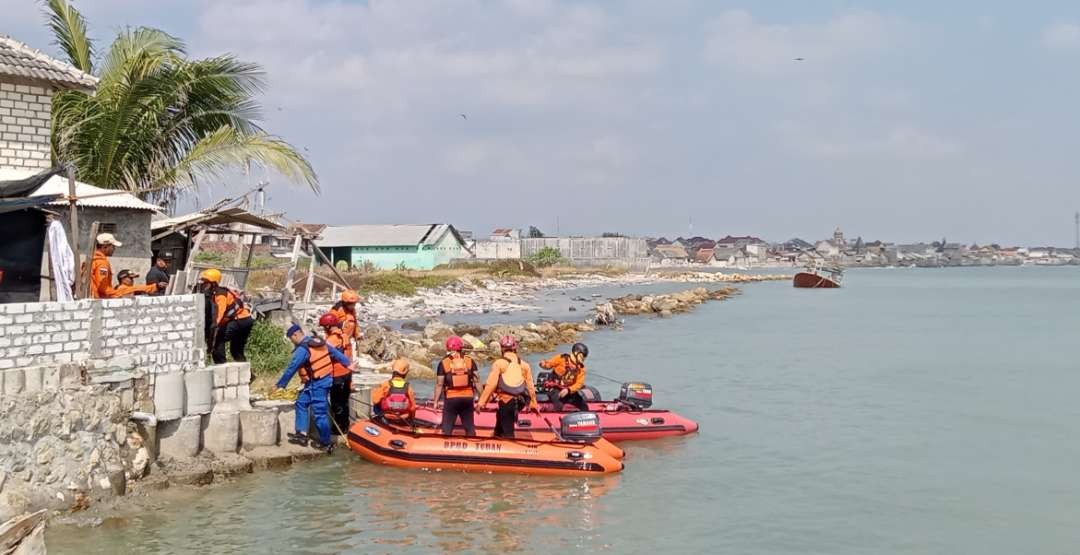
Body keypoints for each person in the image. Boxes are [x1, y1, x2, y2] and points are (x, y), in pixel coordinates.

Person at [271, 324, 352, 452]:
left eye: (292, 339)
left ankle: (326, 443)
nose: (292, 343)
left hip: (318, 384)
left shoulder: (303, 349)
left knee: (319, 413)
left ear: (295, 335)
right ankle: (301, 434)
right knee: (301, 403)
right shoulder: (317, 341)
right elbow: (335, 353)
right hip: (321, 380)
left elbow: (292, 368)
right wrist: (348, 363)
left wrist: (280, 384)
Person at [476, 336, 538, 438]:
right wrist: (533, 404)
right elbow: (530, 387)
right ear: (515, 348)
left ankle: (509, 445)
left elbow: (491, 385)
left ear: (501, 348)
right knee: (499, 421)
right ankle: (497, 437)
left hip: (506, 401)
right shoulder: (524, 365)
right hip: (521, 401)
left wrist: (481, 403)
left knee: (508, 433)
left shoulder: (499, 363)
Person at [197, 268, 255, 364]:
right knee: (236, 350)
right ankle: (247, 375)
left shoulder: (220, 295)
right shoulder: (215, 294)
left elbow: (219, 315)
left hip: (239, 320)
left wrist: (212, 333)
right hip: (245, 320)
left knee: (217, 339)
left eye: (206, 282)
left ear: (213, 283)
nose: (203, 285)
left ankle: (221, 367)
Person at [90, 233, 164, 298]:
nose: (114, 249)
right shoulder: (101, 263)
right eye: (112, 246)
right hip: (98, 302)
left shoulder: (93, 260)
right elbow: (103, 289)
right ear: (105, 247)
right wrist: (116, 295)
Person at [433, 336, 479, 435]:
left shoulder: (443, 363)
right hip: (468, 398)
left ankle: (444, 446)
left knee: (447, 428)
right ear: (461, 348)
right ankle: (472, 445)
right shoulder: (470, 361)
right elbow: (477, 381)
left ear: (448, 348)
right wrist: (483, 398)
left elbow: (439, 384)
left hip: (451, 399)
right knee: (469, 426)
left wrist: (435, 401)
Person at [318, 312, 353, 435]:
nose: (323, 329)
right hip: (347, 372)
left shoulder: (332, 340)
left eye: (324, 327)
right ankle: (345, 425)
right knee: (344, 401)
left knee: (337, 402)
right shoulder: (344, 336)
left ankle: (338, 429)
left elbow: (325, 355)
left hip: (337, 375)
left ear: (328, 326)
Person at [538, 342, 590, 412]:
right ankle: (544, 409)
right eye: (581, 356)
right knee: (558, 406)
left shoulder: (581, 369)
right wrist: (544, 364)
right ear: (575, 353)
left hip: (568, 390)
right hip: (555, 388)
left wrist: (569, 390)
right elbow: (550, 364)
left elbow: (579, 383)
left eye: (584, 358)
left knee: (584, 407)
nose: (582, 359)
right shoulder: (561, 358)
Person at [371, 358, 416, 423]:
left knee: (376, 405)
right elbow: (413, 407)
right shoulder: (408, 387)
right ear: (405, 373)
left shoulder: (386, 384)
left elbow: (375, 400)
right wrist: (412, 418)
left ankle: (380, 420)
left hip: (387, 415)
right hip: (403, 417)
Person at [328, 290, 362, 357]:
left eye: (354, 303)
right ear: (345, 302)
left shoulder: (352, 310)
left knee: (349, 361)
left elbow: (354, 323)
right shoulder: (335, 311)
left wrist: (357, 335)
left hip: (348, 340)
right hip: (338, 342)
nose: (353, 305)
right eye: (351, 304)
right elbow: (330, 327)